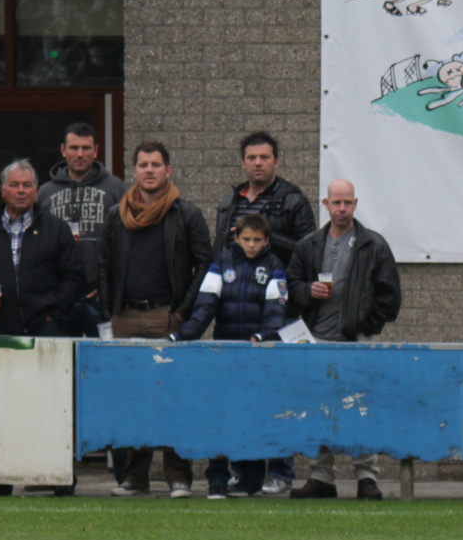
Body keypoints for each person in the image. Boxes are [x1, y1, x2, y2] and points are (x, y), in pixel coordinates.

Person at [0, 158, 85, 496]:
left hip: (45, 332)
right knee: (4, 409)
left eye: (27, 185)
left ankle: (56, 476)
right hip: (1, 332)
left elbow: (75, 277)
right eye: (14, 185)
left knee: (50, 406)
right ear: (2, 190)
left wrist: (53, 311)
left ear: (37, 190)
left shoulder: (55, 229)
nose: (21, 191)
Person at [98, 140, 213, 498]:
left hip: (168, 318)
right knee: (133, 399)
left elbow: (205, 265)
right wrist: (109, 313)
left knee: (173, 397)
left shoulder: (187, 214)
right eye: (143, 164)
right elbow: (103, 266)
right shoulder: (117, 215)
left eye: (156, 164)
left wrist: (182, 312)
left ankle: (179, 477)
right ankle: (134, 477)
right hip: (126, 317)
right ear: (133, 171)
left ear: (168, 170)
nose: (150, 170)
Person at [285, 178, 401, 501]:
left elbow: (390, 297)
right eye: (336, 202)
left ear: (355, 204)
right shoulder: (309, 244)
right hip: (318, 341)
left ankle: (366, 477)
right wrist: (308, 291)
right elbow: (290, 287)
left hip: (356, 342)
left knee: (360, 407)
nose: (342, 208)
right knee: (319, 408)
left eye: (347, 202)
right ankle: (321, 477)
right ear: (325, 204)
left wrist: (366, 326)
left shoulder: (373, 244)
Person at [213, 131, 317, 495]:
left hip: (278, 313)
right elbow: (219, 255)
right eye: (252, 158)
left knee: (277, 394)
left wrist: (267, 236)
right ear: (243, 163)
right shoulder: (230, 201)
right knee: (240, 396)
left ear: (277, 162)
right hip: (236, 312)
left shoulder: (293, 200)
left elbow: (308, 251)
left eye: (265, 157)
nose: (258, 163)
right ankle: (245, 472)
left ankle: (280, 472)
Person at [169, 214, 288, 498]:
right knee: (220, 417)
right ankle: (217, 479)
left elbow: (276, 311)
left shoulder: (275, 266)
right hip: (223, 355)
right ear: (236, 238)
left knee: (252, 416)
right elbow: (205, 307)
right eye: (246, 239)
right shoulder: (221, 263)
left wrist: (265, 336)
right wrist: (183, 335)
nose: (251, 245)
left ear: (266, 240)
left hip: (257, 357)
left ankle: (250, 479)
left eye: (257, 240)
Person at [37, 121, 127, 336]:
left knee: (101, 355)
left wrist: (110, 287)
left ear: (96, 151)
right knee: (61, 356)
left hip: (99, 299)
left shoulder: (115, 188)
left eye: (86, 148)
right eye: (74, 148)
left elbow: (127, 242)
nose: (80, 154)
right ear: (63, 150)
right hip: (58, 298)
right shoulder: (45, 193)